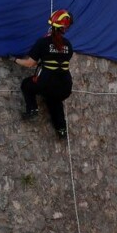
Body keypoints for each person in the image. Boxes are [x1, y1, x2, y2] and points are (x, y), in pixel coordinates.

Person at [15, 9, 75, 138]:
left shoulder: (43, 42)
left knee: (26, 84)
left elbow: (30, 63)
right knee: (55, 100)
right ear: (64, 28)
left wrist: (15, 60)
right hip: (65, 87)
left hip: (46, 84)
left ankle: (32, 110)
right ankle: (62, 130)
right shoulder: (68, 45)